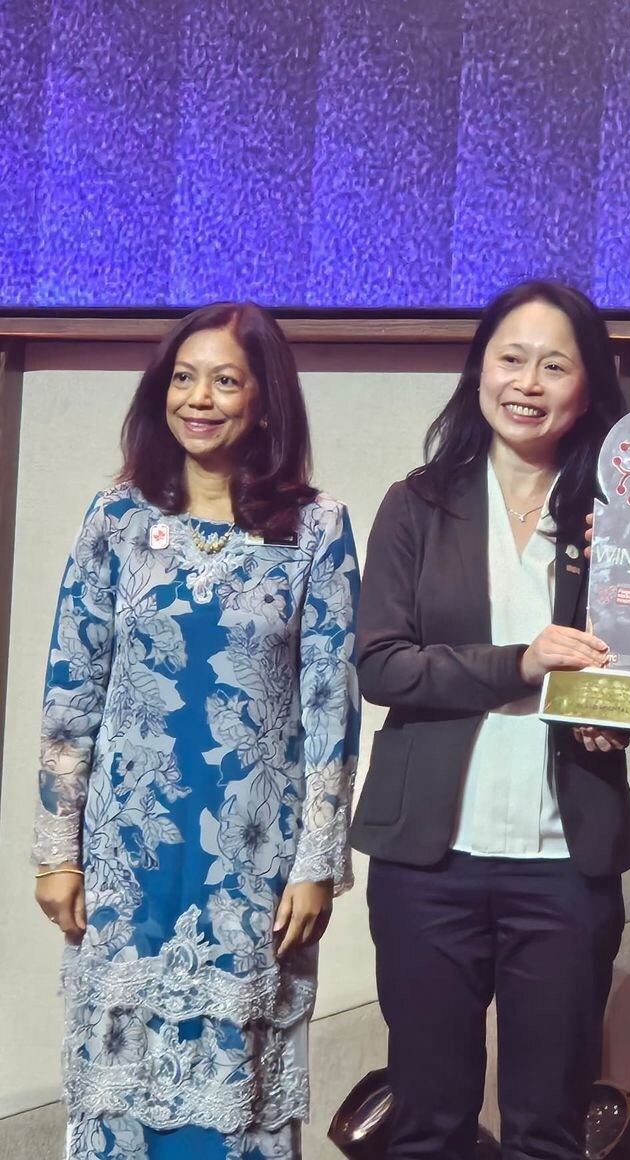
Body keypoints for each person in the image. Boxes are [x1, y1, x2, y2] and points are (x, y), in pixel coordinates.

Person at [33, 302, 361, 1160]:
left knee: (236, 1110)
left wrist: (317, 864)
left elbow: (332, 708)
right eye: (183, 378)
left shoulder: (318, 529)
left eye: (224, 381)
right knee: (120, 1101)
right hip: (126, 862)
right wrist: (58, 851)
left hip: (252, 867)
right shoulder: (117, 519)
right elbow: (71, 690)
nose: (198, 399)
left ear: (265, 402)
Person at [351, 280, 630, 1158]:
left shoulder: (615, 524)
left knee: (548, 1129)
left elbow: (629, 669)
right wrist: (520, 663)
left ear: (588, 386)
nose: (528, 383)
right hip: (429, 864)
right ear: (479, 369)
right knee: (428, 1123)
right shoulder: (418, 505)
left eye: (555, 365)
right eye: (511, 359)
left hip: (565, 862)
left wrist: (614, 714)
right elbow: (382, 665)